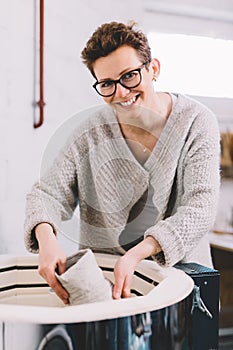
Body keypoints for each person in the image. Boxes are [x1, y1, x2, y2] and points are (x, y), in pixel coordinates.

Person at [24, 21, 220, 305]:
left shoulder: (196, 122)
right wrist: (47, 239)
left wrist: (138, 253)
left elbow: (201, 206)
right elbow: (47, 194)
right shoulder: (86, 133)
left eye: (129, 76)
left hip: (182, 286)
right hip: (106, 290)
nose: (121, 93)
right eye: (107, 84)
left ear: (153, 69)